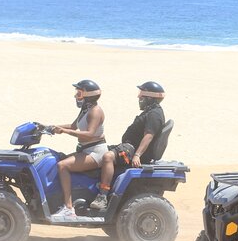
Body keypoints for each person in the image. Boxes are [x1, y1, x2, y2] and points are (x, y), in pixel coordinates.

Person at [89, 81, 166, 210]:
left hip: (132, 149)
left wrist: (137, 155)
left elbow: (149, 136)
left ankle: (102, 195)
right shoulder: (151, 111)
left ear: (150, 98)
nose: (139, 98)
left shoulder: (154, 114)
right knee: (99, 150)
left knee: (108, 157)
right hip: (129, 146)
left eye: (142, 95)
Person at [50, 79, 107, 220]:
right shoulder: (86, 109)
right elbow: (73, 126)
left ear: (88, 95)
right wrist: (52, 126)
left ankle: (69, 209)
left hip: (95, 152)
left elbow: (90, 134)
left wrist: (64, 131)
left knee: (62, 166)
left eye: (79, 93)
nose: (76, 96)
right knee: (58, 159)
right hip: (86, 150)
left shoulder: (95, 111)